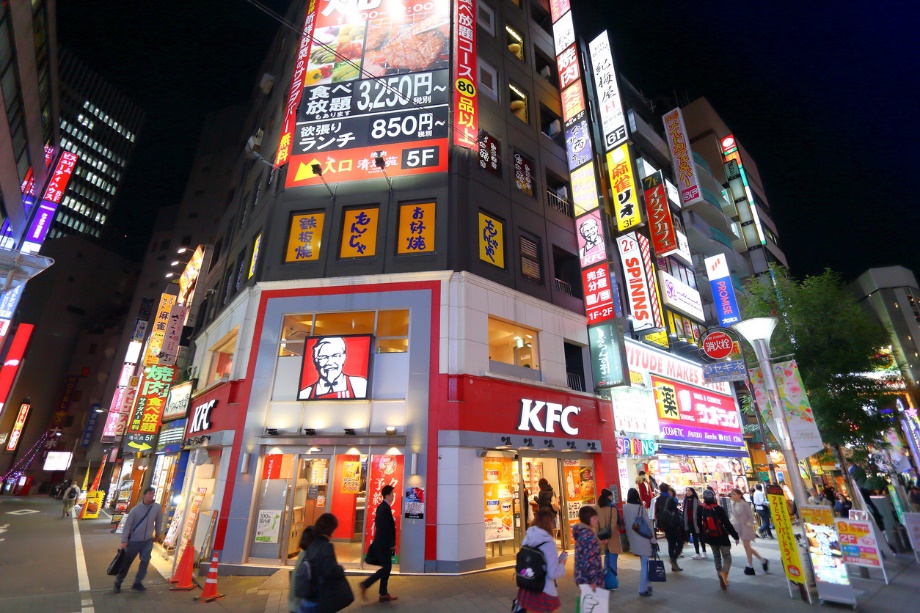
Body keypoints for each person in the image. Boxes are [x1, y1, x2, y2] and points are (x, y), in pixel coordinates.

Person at [292, 514, 349, 612]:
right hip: (319, 597)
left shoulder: (312, 543)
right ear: (329, 529)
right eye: (334, 529)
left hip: (307, 597)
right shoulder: (326, 547)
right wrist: (340, 569)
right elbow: (330, 571)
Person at [515, 509, 568, 613]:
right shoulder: (549, 544)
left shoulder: (528, 537)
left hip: (527, 587)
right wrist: (561, 564)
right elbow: (552, 572)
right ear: (549, 523)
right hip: (544, 589)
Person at [114, 486, 163, 593]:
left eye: (152, 493)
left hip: (148, 540)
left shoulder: (157, 508)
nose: (151, 495)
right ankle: (118, 582)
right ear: (144, 495)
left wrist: (158, 533)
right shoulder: (135, 510)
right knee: (126, 562)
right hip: (134, 541)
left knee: (145, 561)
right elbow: (127, 526)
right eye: (149, 493)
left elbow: (159, 521)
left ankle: (137, 582)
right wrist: (124, 540)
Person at [360, 485, 397, 602]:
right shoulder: (384, 508)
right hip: (383, 543)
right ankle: (366, 584)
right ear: (387, 495)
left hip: (382, 542)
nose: (393, 496)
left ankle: (383, 594)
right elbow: (385, 527)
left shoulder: (383, 507)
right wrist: (391, 543)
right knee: (386, 568)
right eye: (392, 494)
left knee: (387, 567)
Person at [298, 337, 368, 399]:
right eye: (324, 357)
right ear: (316, 360)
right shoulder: (305, 394)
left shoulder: (360, 385)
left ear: (343, 358)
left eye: (335, 356)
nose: (330, 362)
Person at [697, 489, 739, 591]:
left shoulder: (700, 508)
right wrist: (735, 536)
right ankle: (724, 573)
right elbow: (727, 524)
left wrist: (702, 537)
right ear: (713, 497)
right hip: (722, 537)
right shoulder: (719, 509)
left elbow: (698, 524)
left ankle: (720, 576)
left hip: (710, 537)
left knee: (716, 556)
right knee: (727, 557)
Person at [623, 488, 657, 598]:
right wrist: (653, 540)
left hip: (633, 539)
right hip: (643, 538)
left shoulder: (625, 508)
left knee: (643, 563)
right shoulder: (640, 508)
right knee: (644, 564)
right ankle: (642, 588)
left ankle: (647, 584)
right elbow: (649, 524)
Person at [729, 488, 767, 576]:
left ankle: (750, 565)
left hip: (746, 528)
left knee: (747, 547)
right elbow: (733, 517)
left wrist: (748, 525)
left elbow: (750, 517)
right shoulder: (733, 504)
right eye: (732, 494)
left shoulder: (744, 504)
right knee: (748, 548)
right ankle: (762, 560)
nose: (733, 496)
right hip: (739, 529)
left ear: (740, 495)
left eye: (734, 494)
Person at [594, 488, 622, 589]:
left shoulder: (597, 508)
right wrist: (608, 537)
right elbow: (613, 524)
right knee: (613, 559)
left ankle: (605, 581)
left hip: (602, 536)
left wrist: (600, 537)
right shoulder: (612, 508)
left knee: (606, 559)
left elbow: (596, 524)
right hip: (612, 537)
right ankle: (612, 582)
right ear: (609, 496)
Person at [573, 506, 604, 595]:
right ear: (587, 519)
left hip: (581, 576)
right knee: (594, 606)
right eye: (594, 518)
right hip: (590, 580)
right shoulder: (589, 535)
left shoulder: (581, 532)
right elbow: (589, 561)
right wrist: (593, 580)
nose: (596, 520)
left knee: (588, 605)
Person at [653, 483, 683, 572]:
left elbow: (656, 512)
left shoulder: (658, 499)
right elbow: (675, 512)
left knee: (671, 543)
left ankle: (674, 564)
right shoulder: (671, 499)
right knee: (680, 542)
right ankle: (673, 559)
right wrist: (678, 524)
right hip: (672, 524)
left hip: (664, 524)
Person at [682, 487, 707, 560]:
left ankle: (704, 552)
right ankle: (697, 553)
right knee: (694, 537)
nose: (687, 492)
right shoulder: (685, 500)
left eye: (689, 491)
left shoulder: (696, 500)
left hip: (697, 522)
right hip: (690, 522)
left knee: (700, 536)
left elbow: (702, 509)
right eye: (686, 491)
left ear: (693, 492)